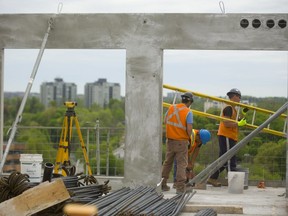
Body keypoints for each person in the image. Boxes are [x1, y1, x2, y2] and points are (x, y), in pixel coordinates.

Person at [207, 88, 247, 187]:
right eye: (239, 97)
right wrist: (238, 124)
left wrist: (243, 115)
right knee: (229, 159)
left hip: (230, 136)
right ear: (234, 96)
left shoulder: (233, 109)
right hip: (226, 136)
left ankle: (212, 178)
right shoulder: (228, 108)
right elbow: (227, 123)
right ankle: (233, 183)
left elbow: (236, 121)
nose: (240, 100)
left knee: (224, 159)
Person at [161, 92, 194, 194]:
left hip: (170, 140)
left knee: (167, 163)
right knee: (181, 164)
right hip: (181, 141)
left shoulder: (171, 108)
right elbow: (189, 129)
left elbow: (165, 121)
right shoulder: (188, 112)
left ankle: (162, 184)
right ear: (189, 101)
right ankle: (180, 188)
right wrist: (189, 138)